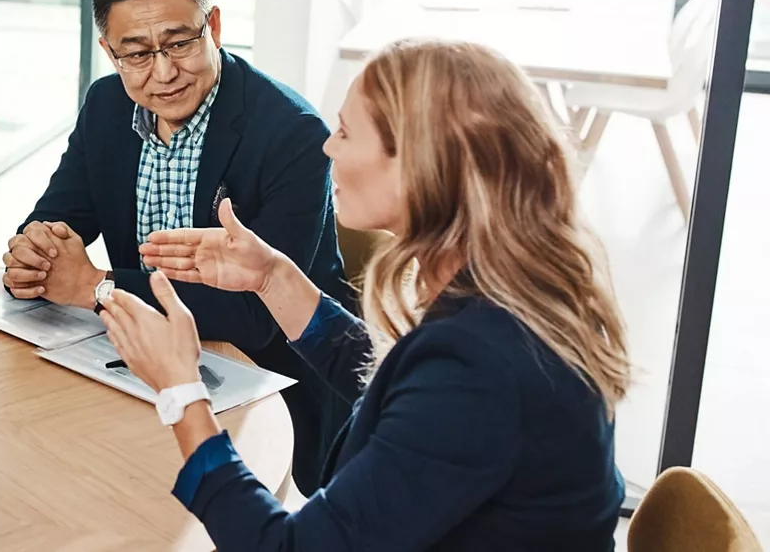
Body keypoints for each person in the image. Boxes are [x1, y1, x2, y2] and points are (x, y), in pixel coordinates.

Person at [101, 38, 631, 550]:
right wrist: (272, 278)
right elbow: (403, 390)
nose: (328, 145)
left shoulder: (482, 366)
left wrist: (181, 392)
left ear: (420, 166)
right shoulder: (508, 291)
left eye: (347, 133)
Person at [3, 0, 351, 494]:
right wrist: (35, 254)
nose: (163, 73)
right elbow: (59, 216)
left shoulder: (293, 133)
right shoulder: (106, 106)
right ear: (109, 51)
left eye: (180, 43)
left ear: (212, 25)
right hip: (133, 371)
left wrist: (98, 289)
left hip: (265, 385)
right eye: (136, 53)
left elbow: (259, 316)